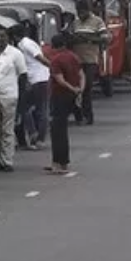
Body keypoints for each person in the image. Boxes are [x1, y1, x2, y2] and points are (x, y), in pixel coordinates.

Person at [0, 28, 27, 172]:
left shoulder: (16, 54)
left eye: (2, 36)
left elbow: (23, 75)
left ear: (8, 38)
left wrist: (22, 97)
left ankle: (7, 161)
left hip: (9, 96)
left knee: (7, 130)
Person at [45, 34, 84, 176]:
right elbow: (81, 75)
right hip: (70, 97)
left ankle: (58, 163)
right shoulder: (73, 57)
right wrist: (79, 89)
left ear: (53, 46)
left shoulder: (56, 60)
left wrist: (72, 88)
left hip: (59, 96)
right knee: (62, 129)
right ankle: (62, 162)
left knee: (57, 131)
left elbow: (59, 80)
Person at [70, 0, 109, 125]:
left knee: (87, 88)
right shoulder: (75, 22)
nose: (80, 15)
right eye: (78, 13)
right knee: (75, 88)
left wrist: (89, 39)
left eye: (82, 12)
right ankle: (78, 116)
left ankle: (88, 116)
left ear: (88, 11)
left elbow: (105, 39)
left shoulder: (97, 21)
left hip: (90, 60)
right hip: (76, 61)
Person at [15, 23, 51, 150]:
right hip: (38, 78)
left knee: (32, 108)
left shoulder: (25, 44)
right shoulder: (26, 43)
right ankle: (36, 135)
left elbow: (39, 57)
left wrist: (53, 66)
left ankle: (37, 135)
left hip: (38, 79)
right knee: (34, 108)